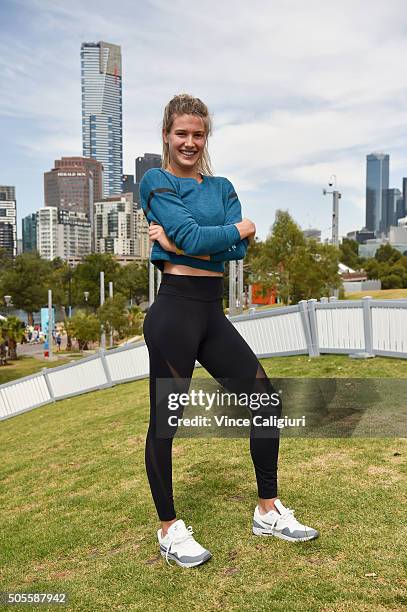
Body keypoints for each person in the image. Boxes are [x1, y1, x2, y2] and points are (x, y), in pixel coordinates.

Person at [140, 93, 318, 569]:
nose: (190, 142)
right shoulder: (155, 181)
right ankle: (169, 530)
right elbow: (213, 240)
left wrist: (182, 242)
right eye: (182, 133)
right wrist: (236, 229)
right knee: (167, 421)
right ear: (167, 135)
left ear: (206, 137)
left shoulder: (221, 186)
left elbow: (229, 253)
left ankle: (267, 510)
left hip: (211, 313)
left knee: (266, 399)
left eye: (198, 134)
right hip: (174, 313)